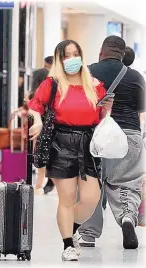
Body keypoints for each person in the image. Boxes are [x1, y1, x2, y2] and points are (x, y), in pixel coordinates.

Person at [27, 40, 113, 261]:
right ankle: (67, 244)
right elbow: (35, 105)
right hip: (61, 141)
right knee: (65, 198)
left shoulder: (95, 84)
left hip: (88, 143)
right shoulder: (52, 83)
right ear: (59, 59)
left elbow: (101, 117)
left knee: (91, 198)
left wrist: (108, 110)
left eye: (76, 54)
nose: (72, 59)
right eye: (67, 55)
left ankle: (71, 227)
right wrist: (36, 121)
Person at [78, 36, 146, 249]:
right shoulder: (135, 76)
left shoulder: (87, 72)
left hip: (95, 135)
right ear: (123, 53)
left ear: (101, 52)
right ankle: (126, 217)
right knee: (127, 182)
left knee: (92, 183)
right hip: (129, 135)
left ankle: (88, 234)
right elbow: (141, 109)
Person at [30, 68, 54, 194]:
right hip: (51, 128)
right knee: (48, 157)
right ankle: (46, 182)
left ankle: (39, 185)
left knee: (39, 157)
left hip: (38, 129)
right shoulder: (52, 91)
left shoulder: (36, 94)